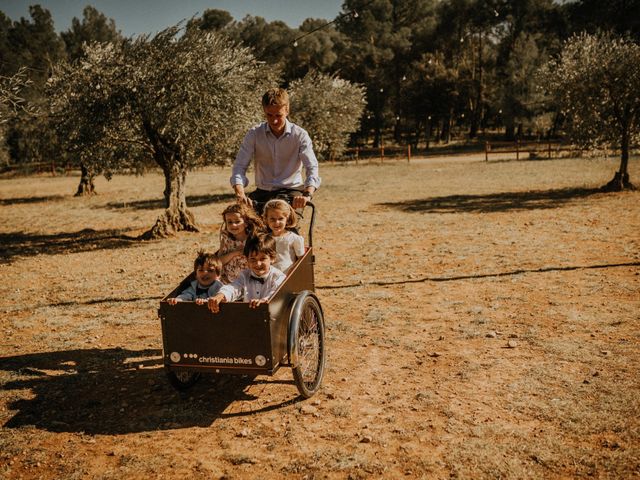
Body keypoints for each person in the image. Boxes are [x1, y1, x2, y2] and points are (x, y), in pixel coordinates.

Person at [230, 87, 321, 213]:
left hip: (291, 192)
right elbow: (239, 167)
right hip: (262, 192)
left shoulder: (300, 135)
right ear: (264, 111)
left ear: (287, 110)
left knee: (282, 225)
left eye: (279, 115)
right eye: (269, 115)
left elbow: (312, 167)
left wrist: (307, 194)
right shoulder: (254, 134)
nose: (274, 120)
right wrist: (240, 194)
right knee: (246, 225)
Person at [207, 233, 286, 312]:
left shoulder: (278, 276)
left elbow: (275, 293)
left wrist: (264, 301)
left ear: (272, 258)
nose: (258, 264)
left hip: (271, 316)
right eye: (253, 259)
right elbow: (234, 287)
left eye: (262, 259)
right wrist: (221, 295)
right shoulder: (245, 275)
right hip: (249, 315)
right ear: (247, 259)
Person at [217, 202, 265, 283]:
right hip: (227, 280)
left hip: (248, 281)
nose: (233, 225)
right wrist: (234, 253)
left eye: (237, 221)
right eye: (230, 222)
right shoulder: (226, 240)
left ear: (246, 223)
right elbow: (219, 262)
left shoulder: (253, 239)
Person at [263, 198, 305, 272]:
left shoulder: (293, 238)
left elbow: (301, 260)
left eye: (280, 219)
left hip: (287, 275)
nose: (276, 222)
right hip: (268, 275)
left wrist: (292, 271)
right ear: (266, 219)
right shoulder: (264, 238)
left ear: (287, 218)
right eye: (272, 219)